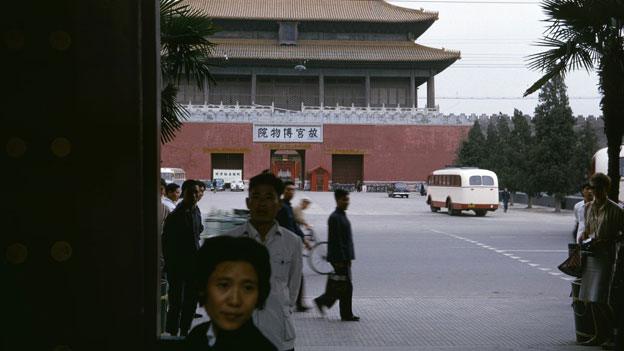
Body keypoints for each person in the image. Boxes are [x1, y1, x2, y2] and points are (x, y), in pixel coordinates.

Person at [223, 172, 302, 351]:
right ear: (248, 203)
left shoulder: (292, 242)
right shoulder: (230, 241)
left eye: (269, 197)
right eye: (256, 197)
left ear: (279, 204)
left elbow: (293, 289)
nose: (262, 203)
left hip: (279, 336)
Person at [185, 236, 277, 351]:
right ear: (203, 287)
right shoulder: (197, 337)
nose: (235, 300)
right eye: (224, 285)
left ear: (260, 293)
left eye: (248, 288)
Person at [579, 173, 624, 348]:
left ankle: (612, 334)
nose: (595, 191)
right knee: (590, 298)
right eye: (592, 188)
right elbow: (588, 229)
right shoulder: (588, 207)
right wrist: (584, 236)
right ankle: (599, 335)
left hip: (606, 256)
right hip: (591, 256)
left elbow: (621, 234)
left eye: (598, 188)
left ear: (606, 189)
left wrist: (609, 240)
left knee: (602, 298)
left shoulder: (616, 210)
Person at [162, 180, 204, 336]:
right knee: (176, 302)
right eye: (190, 192)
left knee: (191, 301)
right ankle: (172, 333)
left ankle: (185, 331)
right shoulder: (175, 216)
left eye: (196, 192)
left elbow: (198, 231)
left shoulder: (196, 211)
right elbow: (166, 243)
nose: (194, 195)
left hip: (193, 265)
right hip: (177, 266)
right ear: (183, 194)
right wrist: (171, 264)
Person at [314, 189, 359, 322]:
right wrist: (341, 260)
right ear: (338, 200)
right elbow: (336, 241)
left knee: (343, 286)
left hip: (344, 257)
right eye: (344, 199)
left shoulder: (341, 215)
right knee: (345, 286)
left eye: (348, 199)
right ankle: (343, 312)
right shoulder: (335, 217)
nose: (347, 202)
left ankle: (340, 310)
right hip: (340, 258)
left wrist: (349, 257)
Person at [276, 181, 309, 312]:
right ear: (283, 191)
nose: (291, 192)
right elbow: (284, 227)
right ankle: (294, 302)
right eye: (288, 189)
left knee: (296, 274)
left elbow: (294, 225)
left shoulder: (288, 206)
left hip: (291, 245)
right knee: (292, 275)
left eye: (293, 190)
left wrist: (303, 239)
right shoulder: (280, 207)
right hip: (284, 246)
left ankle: (297, 302)